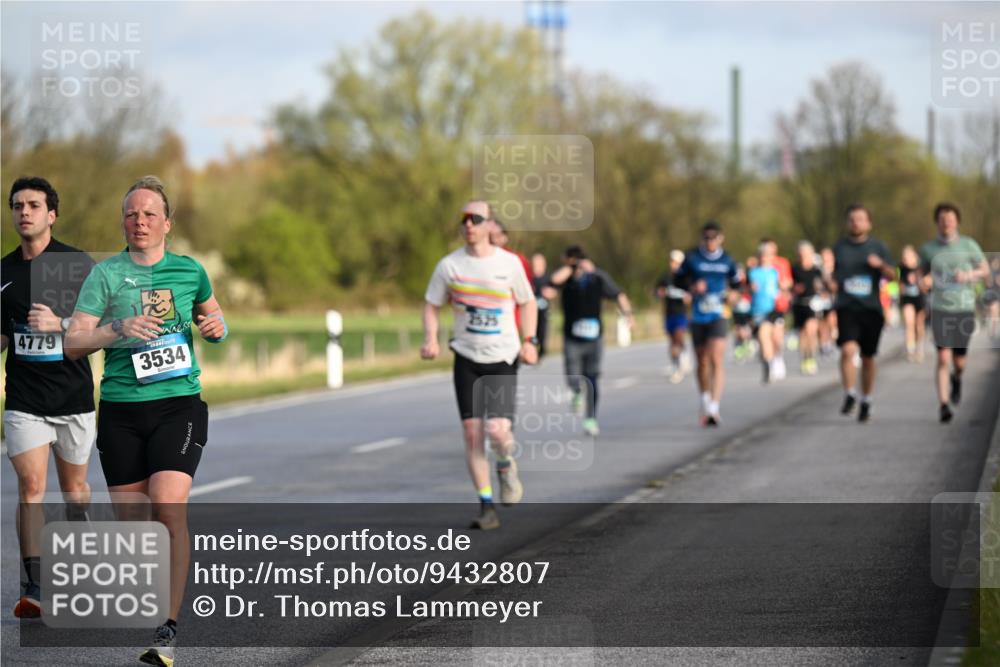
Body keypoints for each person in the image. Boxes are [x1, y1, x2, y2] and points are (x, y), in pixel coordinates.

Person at [65, 176, 227, 667]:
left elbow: (213, 318)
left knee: (168, 505)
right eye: (132, 214)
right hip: (121, 410)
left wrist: (217, 328)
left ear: (166, 223)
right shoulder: (106, 276)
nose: (139, 221)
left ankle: (167, 631)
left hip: (178, 403)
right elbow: (74, 342)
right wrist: (118, 328)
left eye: (149, 214)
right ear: (123, 222)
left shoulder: (190, 271)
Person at [1, 177, 96, 618]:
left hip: (73, 397)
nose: (24, 212)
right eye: (17, 205)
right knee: (32, 488)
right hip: (24, 399)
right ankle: (36, 586)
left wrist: (59, 324)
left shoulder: (76, 265)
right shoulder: (3, 272)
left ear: (51, 215)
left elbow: (103, 332)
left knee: (75, 492)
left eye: (33, 205)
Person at [422, 201, 538, 531]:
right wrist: (431, 338)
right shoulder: (449, 266)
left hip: (502, 356)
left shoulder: (509, 264)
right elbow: (431, 305)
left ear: (489, 225)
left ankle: (504, 463)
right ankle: (486, 504)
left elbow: (527, 302)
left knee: (498, 431)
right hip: (466, 357)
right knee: (472, 433)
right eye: (463, 220)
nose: (468, 225)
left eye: (475, 219)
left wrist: (530, 341)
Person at [549, 246, 634, 436]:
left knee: (592, 377)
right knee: (572, 374)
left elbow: (618, 294)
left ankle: (591, 418)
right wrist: (571, 269)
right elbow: (552, 282)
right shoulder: (567, 278)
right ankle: (576, 392)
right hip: (572, 336)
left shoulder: (597, 277)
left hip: (594, 337)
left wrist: (628, 314)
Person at [918, 202, 989, 424]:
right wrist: (924, 281)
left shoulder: (968, 245)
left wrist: (968, 276)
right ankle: (943, 404)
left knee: (959, 362)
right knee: (942, 356)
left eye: (950, 219)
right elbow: (920, 276)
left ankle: (957, 379)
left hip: (964, 308)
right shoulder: (928, 249)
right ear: (937, 222)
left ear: (957, 221)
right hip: (940, 309)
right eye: (942, 219)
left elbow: (985, 270)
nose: (946, 222)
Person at [831, 204, 895, 423]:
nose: (856, 223)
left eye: (860, 219)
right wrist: (830, 282)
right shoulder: (839, 247)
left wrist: (880, 265)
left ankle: (866, 399)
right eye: (852, 219)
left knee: (868, 358)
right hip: (847, 307)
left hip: (871, 309)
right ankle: (850, 394)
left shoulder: (878, 246)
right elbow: (832, 276)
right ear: (847, 223)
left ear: (868, 223)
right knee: (847, 351)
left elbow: (894, 275)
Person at [674, 221, 742, 426]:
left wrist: (733, 296)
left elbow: (738, 285)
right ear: (702, 238)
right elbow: (678, 281)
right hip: (698, 315)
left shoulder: (728, 259)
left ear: (721, 238)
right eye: (706, 237)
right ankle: (704, 398)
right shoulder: (692, 258)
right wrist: (693, 286)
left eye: (714, 237)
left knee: (716, 358)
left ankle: (714, 407)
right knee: (702, 360)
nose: (710, 241)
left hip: (719, 313)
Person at [489, 219, 533, 331]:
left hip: (509, 321)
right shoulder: (476, 260)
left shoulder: (516, 260)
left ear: (505, 237)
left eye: (497, 235)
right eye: (490, 236)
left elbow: (526, 295)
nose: (494, 239)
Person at [654, 249, 691, 383]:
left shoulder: (685, 278)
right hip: (669, 313)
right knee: (672, 341)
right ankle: (678, 361)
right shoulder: (665, 277)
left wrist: (687, 297)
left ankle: (679, 365)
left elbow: (691, 295)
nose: (673, 264)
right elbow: (657, 292)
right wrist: (660, 292)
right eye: (672, 262)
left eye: (676, 262)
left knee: (678, 338)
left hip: (680, 313)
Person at [749, 242, 781, 383]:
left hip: (774, 308)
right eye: (762, 256)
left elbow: (781, 288)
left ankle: (774, 360)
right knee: (763, 336)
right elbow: (748, 289)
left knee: (775, 339)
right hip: (758, 309)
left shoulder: (775, 272)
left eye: (767, 256)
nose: (764, 258)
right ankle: (768, 364)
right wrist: (751, 288)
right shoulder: (753, 272)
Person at [791, 241, 824, 375]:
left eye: (806, 253)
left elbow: (823, 285)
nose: (804, 256)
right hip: (799, 303)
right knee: (803, 334)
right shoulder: (794, 269)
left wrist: (821, 289)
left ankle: (811, 357)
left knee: (811, 330)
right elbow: (789, 285)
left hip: (813, 303)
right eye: (801, 253)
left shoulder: (816, 270)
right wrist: (794, 288)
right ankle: (805, 358)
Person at [764, 239, 792, 379]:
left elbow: (788, 281)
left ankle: (778, 357)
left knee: (777, 335)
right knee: (765, 334)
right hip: (763, 305)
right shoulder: (758, 263)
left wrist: (783, 286)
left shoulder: (782, 263)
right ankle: (769, 361)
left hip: (778, 304)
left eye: (772, 249)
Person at [898, 244, 927, 363]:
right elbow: (898, 282)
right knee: (909, 324)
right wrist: (901, 287)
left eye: (908, 256)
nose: (906, 259)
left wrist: (919, 280)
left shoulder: (921, 268)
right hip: (907, 299)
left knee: (918, 325)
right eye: (904, 257)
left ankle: (919, 347)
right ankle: (910, 349)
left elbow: (926, 287)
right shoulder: (900, 268)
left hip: (920, 298)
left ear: (914, 256)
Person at [530, 252, 557, 358]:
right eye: (535, 263)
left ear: (543, 264)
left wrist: (550, 293)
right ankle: (533, 349)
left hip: (544, 309)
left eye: (539, 263)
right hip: (531, 310)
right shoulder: (529, 277)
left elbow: (555, 291)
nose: (536, 266)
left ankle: (542, 351)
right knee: (533, 330)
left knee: (543, 330)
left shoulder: (548, 277)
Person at [818, 246, 838, 357]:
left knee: (832, 318)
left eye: (828, 255)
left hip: (834, 299)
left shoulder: (837, 268)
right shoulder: (818, 269)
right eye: (823, 256)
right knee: (822, 322)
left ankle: (834, 338)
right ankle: (825, 344)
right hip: (821, 300)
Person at [984, 255, 1000, 339]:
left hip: (995, 293)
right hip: (991, 294)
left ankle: (992, 329)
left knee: (994, 312)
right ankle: (992, 329)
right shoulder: (989, 272)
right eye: (995, 262)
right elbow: (988, 283)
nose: (996, 263)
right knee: (994, 311)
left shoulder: (996, 272)